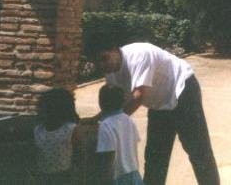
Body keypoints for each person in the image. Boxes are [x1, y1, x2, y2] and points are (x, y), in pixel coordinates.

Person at [94, 41, 220, 185]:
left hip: (182, 90)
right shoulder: (110, 74)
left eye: (105, 58)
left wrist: (107, 122)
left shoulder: (139, 55)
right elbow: (114, 106)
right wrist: (97, 120)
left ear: (115, 49)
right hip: (158, 104)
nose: (102, 65)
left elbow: (139, 96)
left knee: (198, 151)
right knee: (155, 158)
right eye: (98, 62)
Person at [96, 84, 144, 185]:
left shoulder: (105, 125)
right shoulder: (128, 120)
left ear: (100, 103)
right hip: (135, 176)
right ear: (123, 102)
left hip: (117, 178)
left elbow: (107, 157)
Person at [34, 87, 80, 184]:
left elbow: (78, 153)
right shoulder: (38, 130)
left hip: (64, 176)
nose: (38, 110)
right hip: (43, 177)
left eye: (42, 108)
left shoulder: (70, 129)